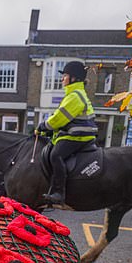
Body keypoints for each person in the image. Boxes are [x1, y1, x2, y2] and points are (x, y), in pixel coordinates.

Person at [36, 61, 97, 204]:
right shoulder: (75, 94)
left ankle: (59, 193)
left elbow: (59, 118)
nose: (62, 79)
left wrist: (43, 126)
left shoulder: (75, 96)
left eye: (65, 76)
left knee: (56, 155)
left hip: (79, 136)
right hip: (78, 133)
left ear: (74, 78)